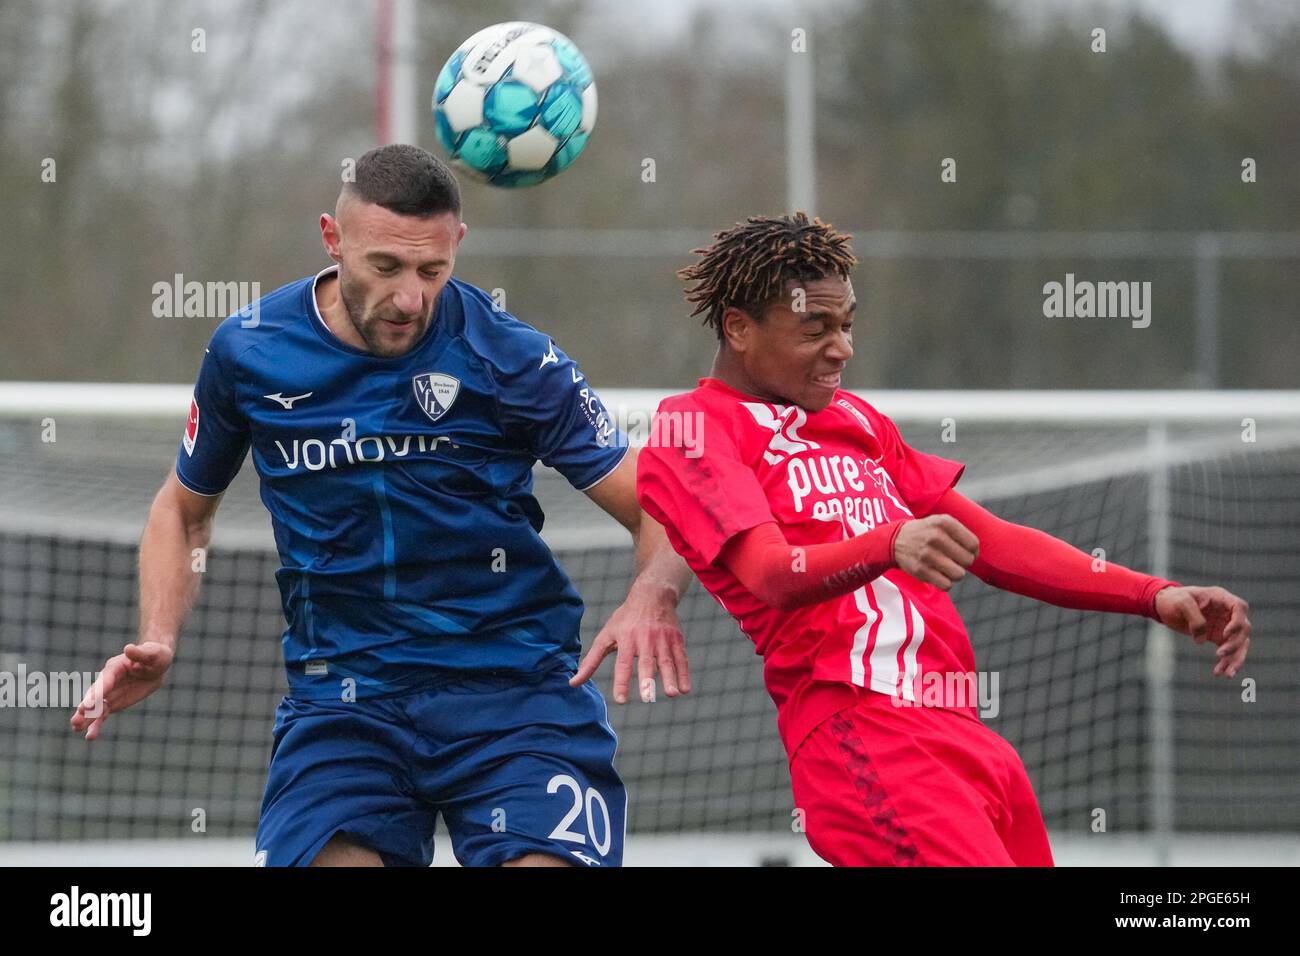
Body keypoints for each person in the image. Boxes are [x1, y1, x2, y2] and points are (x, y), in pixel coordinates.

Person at [70, 144, 694, 868]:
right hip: (345, 703)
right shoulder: (250, 352)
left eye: (433, 271)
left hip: (514, 697)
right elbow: (181, 511)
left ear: (457, 246)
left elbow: (665, 506)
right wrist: (160, 636)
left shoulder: (515, 359)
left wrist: (653, 592)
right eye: (386, 267)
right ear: (333, 241)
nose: (410, 299)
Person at [635, 213, 1253, 866]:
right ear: (738, 328)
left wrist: (1153, 594)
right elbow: (769, 573)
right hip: (863, 731)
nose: (842, 348)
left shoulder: (855, 419)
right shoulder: (694, 428)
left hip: (964, 735)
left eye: (846, 325)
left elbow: (991, 541)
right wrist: (889, 542)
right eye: (815, 330)